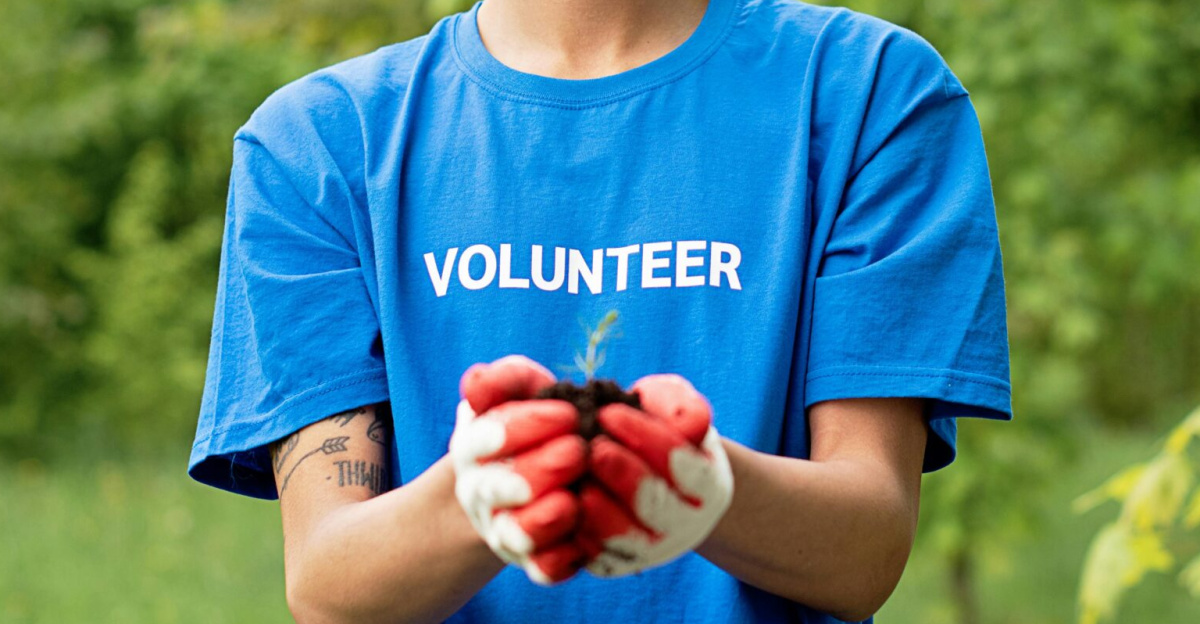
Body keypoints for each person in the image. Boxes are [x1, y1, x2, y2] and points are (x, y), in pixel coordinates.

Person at [187, 0, 1012, 622]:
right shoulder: (317, 144)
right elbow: (330, 584)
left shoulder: (870, 91)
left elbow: (863, 549)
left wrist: (699, 484)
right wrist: (483, 491)